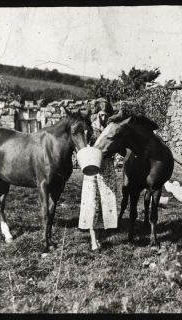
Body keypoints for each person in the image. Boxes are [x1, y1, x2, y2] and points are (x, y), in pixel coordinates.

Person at [78, 98, 118, 251]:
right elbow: (83, 147)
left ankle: (100, 234)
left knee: (105, 201)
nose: (103, 118)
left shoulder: (110, 129)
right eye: (101, 114)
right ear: (96, 114)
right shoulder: (90, 129)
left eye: (106, 115)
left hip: (107, 167)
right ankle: (93, 239)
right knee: (92, 202)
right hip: (93, 168)